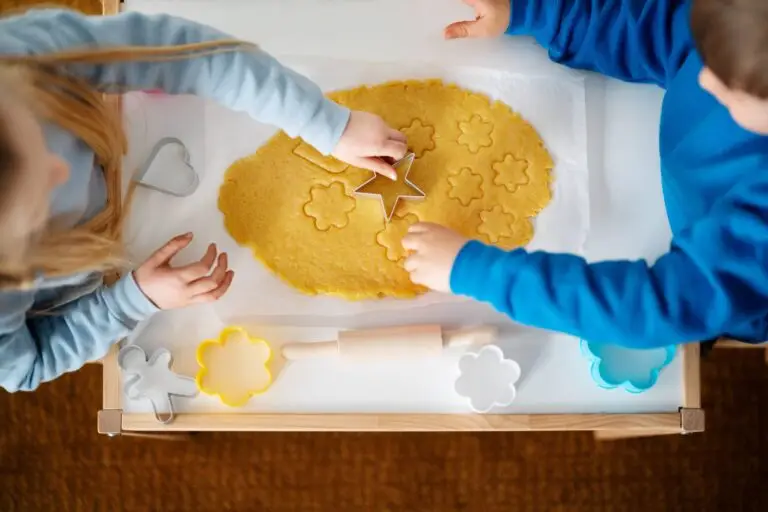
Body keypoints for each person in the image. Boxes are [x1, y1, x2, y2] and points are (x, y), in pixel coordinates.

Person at [0, 8, 407, 392]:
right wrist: (130, 301)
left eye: (39, 140)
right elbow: (30, 365)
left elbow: (187, 55)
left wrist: (325, 123)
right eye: (41, 208)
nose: (61, 171)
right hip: (103, 282)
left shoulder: (27, 57)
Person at [404, 0, 768, 349]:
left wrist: (473, 270)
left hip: (718, 284)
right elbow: (661, 32)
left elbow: (653, 307)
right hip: (688, 193)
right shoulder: (744, 26)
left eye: (730, 86)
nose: (703, 79)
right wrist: (538, 12)